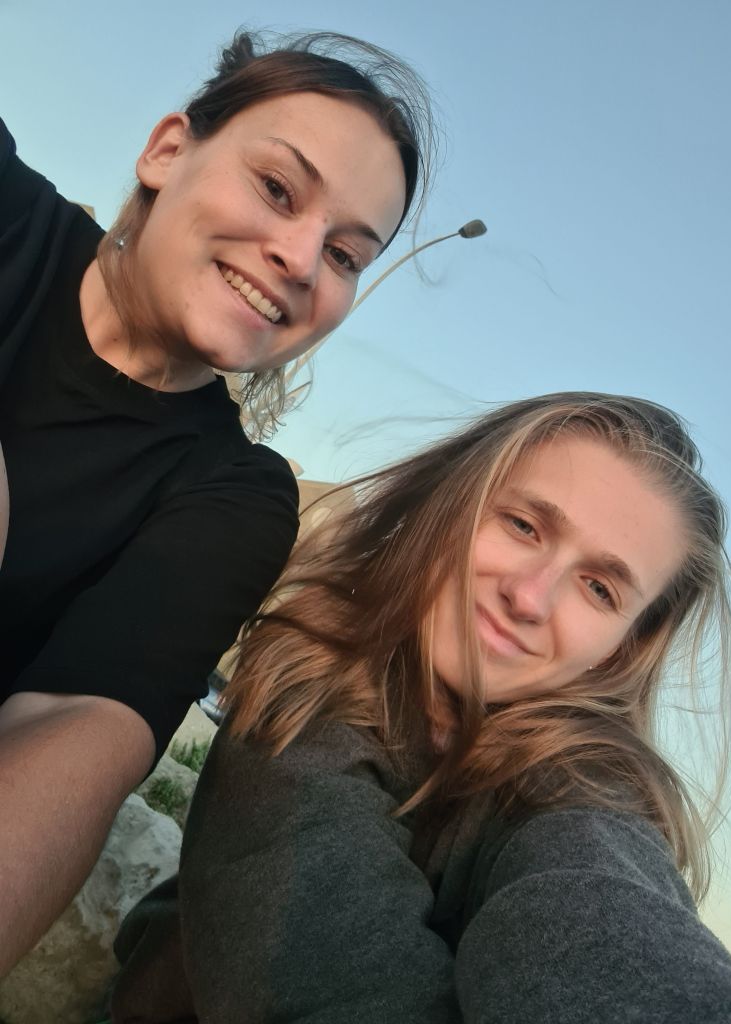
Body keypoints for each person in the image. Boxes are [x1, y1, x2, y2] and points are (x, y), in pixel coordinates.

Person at [111, 391, 731, 1023]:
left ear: (621, 649)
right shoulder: (310, 679)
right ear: (448, 505)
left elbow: (602, 908)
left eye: (599, 588)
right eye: (522, 525)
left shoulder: (592, 800)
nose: (530, 597)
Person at [0, 28, 434, 974]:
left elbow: (77, 727)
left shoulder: (236, 496)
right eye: (278, 188)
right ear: (167, 151)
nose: (301, 257)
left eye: (346, 254)